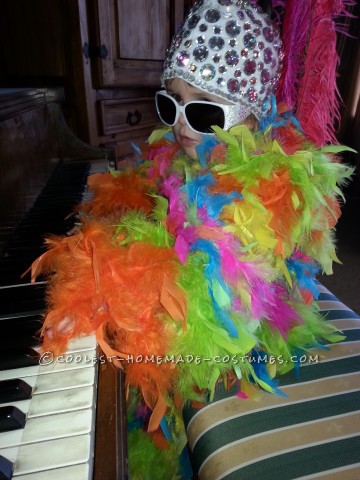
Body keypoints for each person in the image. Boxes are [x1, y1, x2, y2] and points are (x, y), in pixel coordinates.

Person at [29, 0, 354, 478]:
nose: (180, 124)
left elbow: (196, 303)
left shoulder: (267, 197)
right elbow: (154, 186)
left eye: (203, 110)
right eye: (171, 102)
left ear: (255, 112)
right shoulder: (196, 154)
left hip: (231, 341)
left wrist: (102, 272)